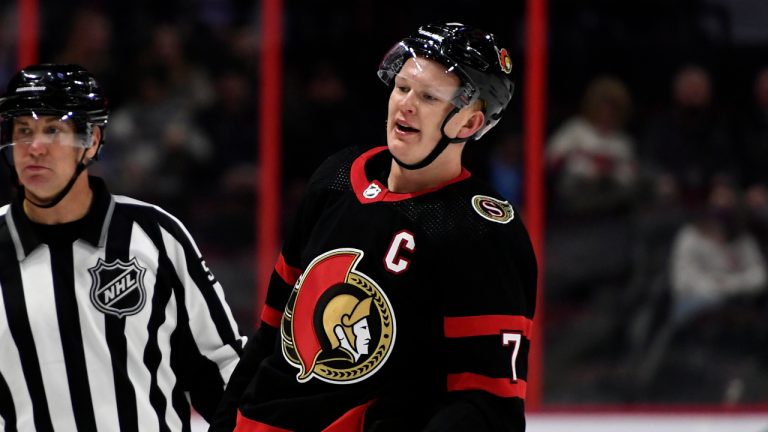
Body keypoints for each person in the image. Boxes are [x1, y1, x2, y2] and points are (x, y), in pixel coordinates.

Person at [209, 22, 538, 432]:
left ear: (469, 125)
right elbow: (272, 333)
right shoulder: (337, 177)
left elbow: (488, 404)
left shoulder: (480, 232)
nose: (406, 106)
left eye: (430, 97)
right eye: (403, 88)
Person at [0, 64, 246, 430]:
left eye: (53, 130)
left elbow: (220, 367)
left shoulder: (156, 235)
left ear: (93, 141)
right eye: (24, 131)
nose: (34, 147)